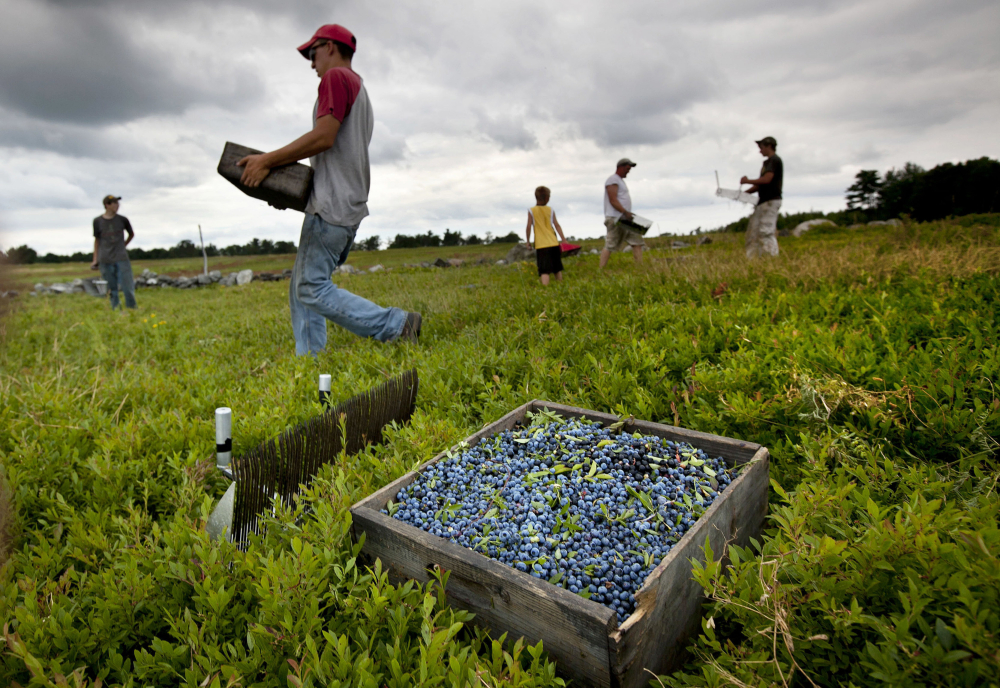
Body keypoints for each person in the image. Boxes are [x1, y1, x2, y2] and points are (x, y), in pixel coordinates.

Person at [236, 24, 420, 355]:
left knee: (310, 287)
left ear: (331, 47)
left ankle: (396, 325)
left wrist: (267, 161)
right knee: (302, 286)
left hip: (333, 205)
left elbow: (324, 137)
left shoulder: (335, 79)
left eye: (313, 52)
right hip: (341, 201)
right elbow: (334, 155)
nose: (311, 62)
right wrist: (286, 189)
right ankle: (309, 356)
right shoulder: (359, 89)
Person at [91, 195, 137, 310]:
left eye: (117, 203)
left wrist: (124, 245)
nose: (117, 205)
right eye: (114, 203)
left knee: (127, 286)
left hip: (121, 258)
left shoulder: (122, 219)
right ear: (107, 205)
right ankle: (116, 309)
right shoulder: (97, 221)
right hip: (105, 259)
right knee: (111, 288)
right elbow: (97, 240)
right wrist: (95, 259)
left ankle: (132, 309)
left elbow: (131, 234)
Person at [740, 136, 783, 258]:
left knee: (766, 231)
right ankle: (756, 258)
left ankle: (772, 257)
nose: (760, 151)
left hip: (771, 200)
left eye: (762, 148)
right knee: (754, 232)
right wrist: (743, 194)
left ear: (769, 146)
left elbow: (766, 180)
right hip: (763, 202)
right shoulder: (767, 163)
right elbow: (760, 185)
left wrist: (747, 181)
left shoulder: (774, 160)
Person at [600, 158, 646, 269]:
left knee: (637, 241)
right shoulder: (612, 180)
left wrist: (627, 214)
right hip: (616, 217)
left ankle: (640, 267)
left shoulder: (620, 181)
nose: (628, 171)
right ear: (620, 167)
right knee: (611, 244)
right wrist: (625, 212)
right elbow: (613, 199)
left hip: (626, 217)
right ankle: (601, 269)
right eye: (627, 169)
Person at [525, 186, 567, 286]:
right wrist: (564, 239)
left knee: (544, 270)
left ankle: (545, 288)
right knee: (557, 268)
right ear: (547, 198)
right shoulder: (550, 210)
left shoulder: (531, 211)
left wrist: (528, 241)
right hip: (553, 242)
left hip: (541, 245)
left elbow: (528, 227)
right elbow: (557, 225)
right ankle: (560, 285)